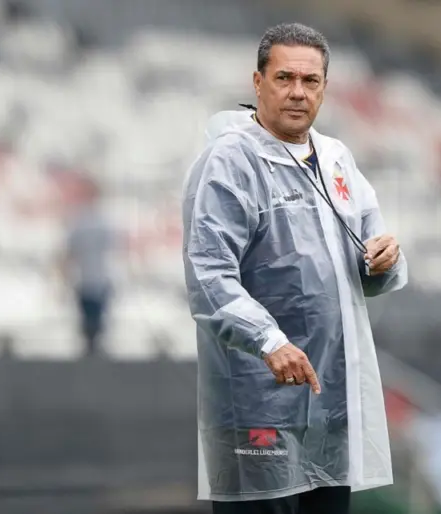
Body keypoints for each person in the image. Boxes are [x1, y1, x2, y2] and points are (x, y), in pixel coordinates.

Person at [182, 22, 409, 514]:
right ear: (258, 82)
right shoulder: (230, 162)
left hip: (330, 404)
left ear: (325, 88)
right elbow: (208, 274)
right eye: (284, 78)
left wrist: (384, 259)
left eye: (310, 81)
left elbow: (371, 256)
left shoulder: (336, 159)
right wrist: (269, 341)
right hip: (258, 405)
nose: (297, 92)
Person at [61, 179, 117, 356]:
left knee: (94, 316)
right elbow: (70, 252)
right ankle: (92, 346)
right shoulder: (91, 221)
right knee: (91, 316)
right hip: (89, 278)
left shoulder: (90, 221)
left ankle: (93, 346)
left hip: (95, 277)